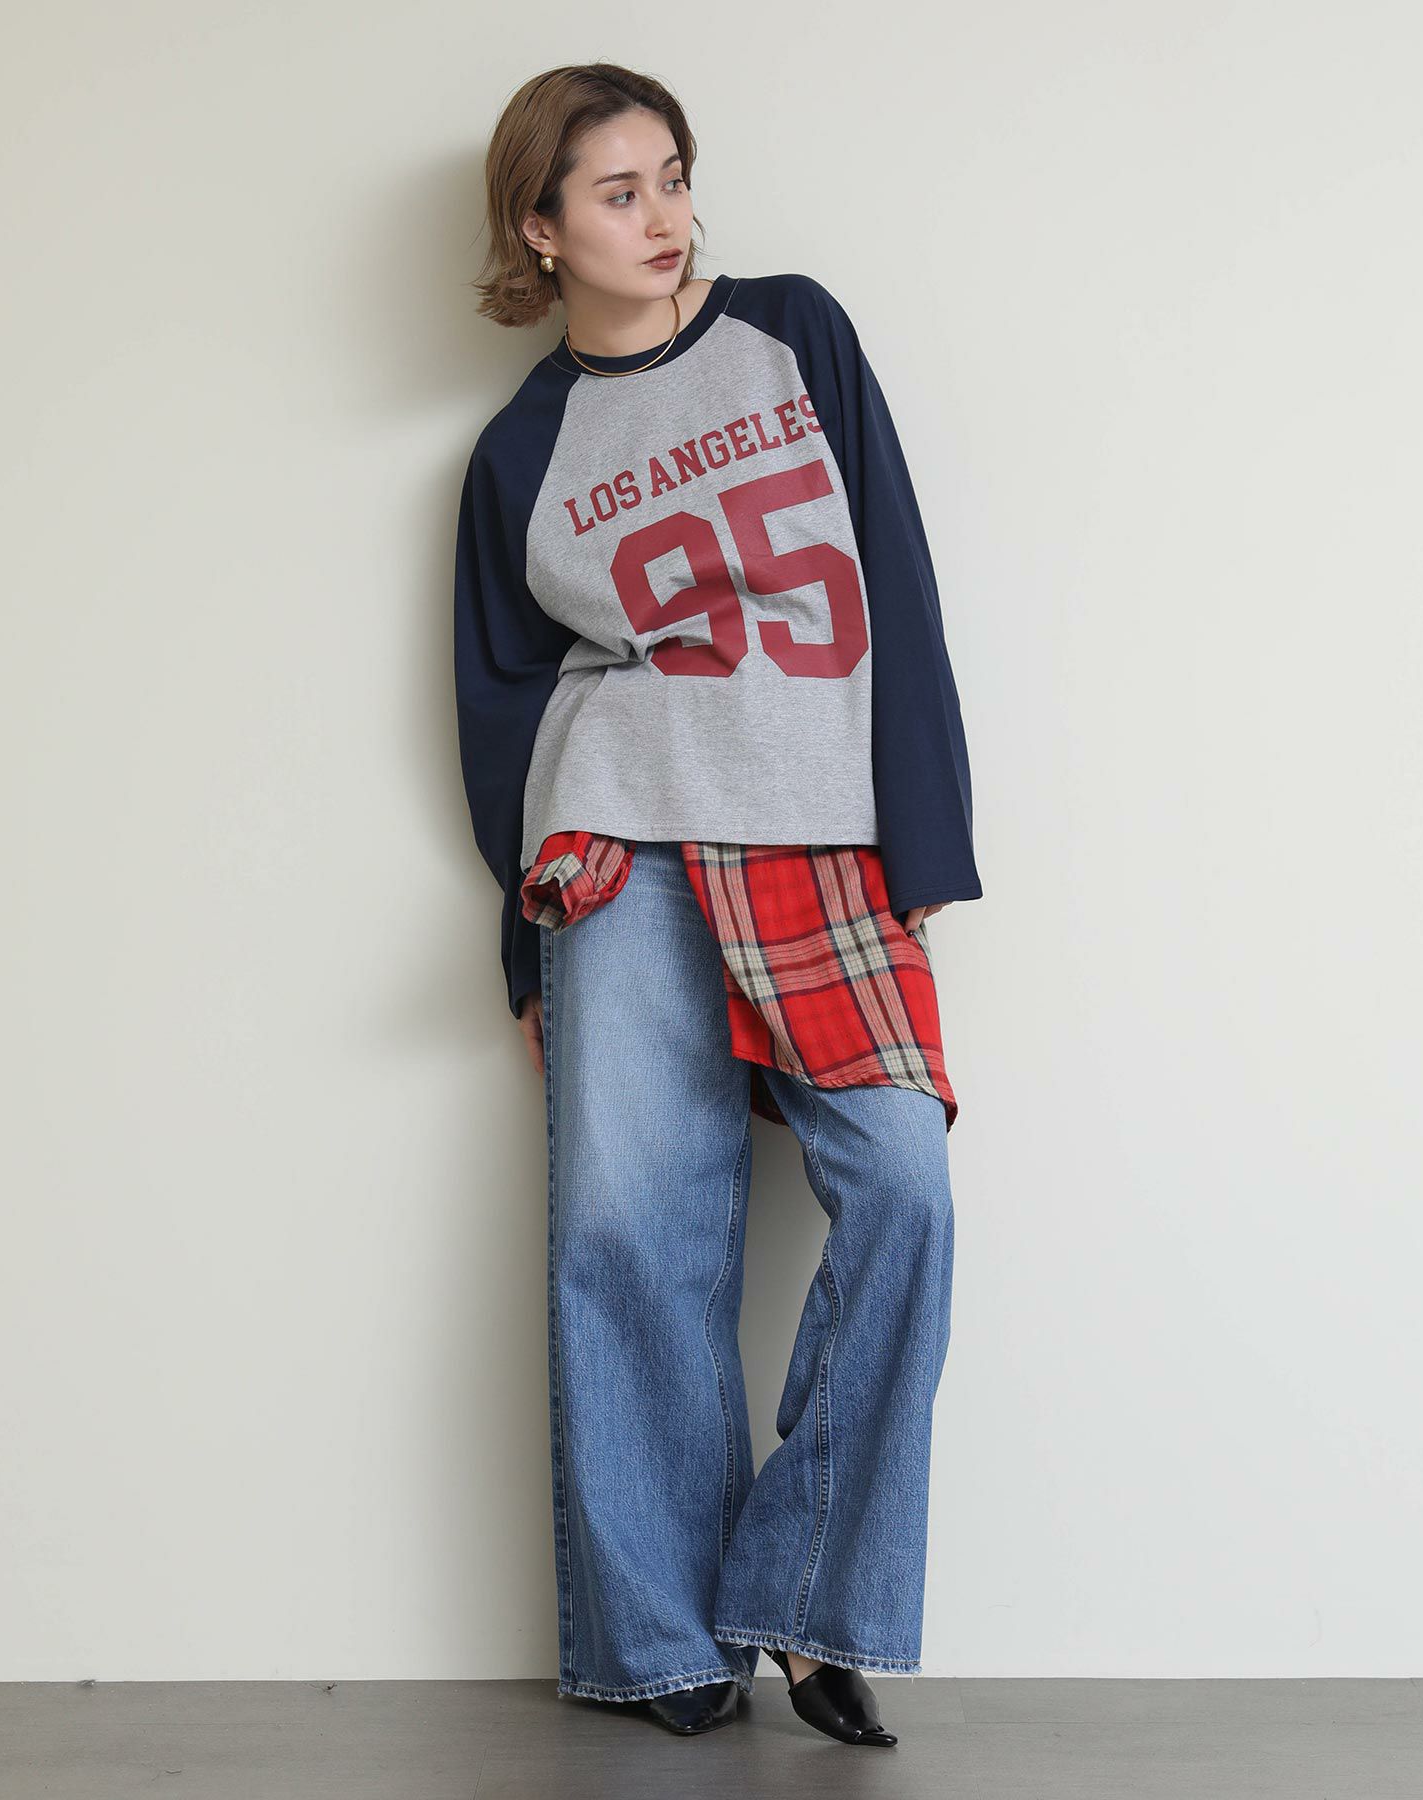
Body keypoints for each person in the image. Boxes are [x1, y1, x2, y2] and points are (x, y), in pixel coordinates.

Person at [453, 62, 984, 1749]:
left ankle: (807, 1603)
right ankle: (661, 1644)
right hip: (616, 847)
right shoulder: (519, 449)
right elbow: (504, 715)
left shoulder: (791, 331)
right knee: (629, 1235)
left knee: (902, 1186)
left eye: (673, 177)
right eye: (619, 192)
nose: (664, 217)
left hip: (818, 834)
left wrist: (925, 844)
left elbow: (894, 568)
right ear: (542, 229)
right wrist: (523, 952)